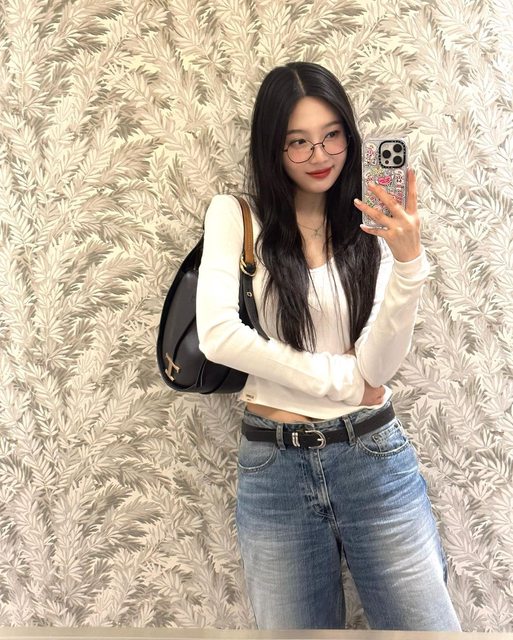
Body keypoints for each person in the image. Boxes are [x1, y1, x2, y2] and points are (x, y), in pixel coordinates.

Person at [196, 61, 460, 631]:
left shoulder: (372, 222)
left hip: (372, 457)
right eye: (298, 141)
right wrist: (338, 381)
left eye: (332, 135)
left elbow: (378, 368)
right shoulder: (236, 216)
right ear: (272, 147)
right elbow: (218, 335)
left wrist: (409, 263)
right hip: (274, 471)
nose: (319, 155)